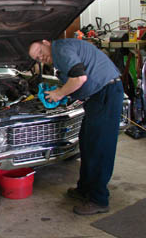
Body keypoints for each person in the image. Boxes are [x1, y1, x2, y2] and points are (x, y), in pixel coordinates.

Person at [29, 38, 124, 215]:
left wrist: (58, 93)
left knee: (100, 147)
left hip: (106, 93)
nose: (41, 58)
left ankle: (99, 199)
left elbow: (80, 77)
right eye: (37, 58)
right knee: (87, 142)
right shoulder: (62, 52)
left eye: (40, 52)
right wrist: (67, 92)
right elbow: (77, 80)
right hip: (98, 96)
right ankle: (85, 189)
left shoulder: (60, 49)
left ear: (46, 42)